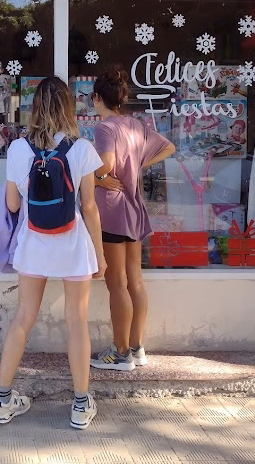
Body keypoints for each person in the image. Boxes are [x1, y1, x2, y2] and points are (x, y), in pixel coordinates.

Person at [0, 76, 107, 430]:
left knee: (23, 318)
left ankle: (1, 401)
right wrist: (100, 256)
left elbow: (12, 202)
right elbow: (89, 207)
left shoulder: (18, 149)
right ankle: (80, 405)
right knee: (76, 322)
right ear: (68, 107)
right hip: (72, 246)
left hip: (33, 245)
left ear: (34, 108)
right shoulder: (83, 149)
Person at [89, 68, 175, 371]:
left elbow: (107, 165)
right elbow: (169, 147)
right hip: (135, 208)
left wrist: (96, 177)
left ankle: (120, 352)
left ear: (97, 98)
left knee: (116, 284)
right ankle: (137, 348)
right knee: (135, 281)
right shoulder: (137, 125)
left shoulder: (104, 128)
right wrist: (137, 164)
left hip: (112, 211)